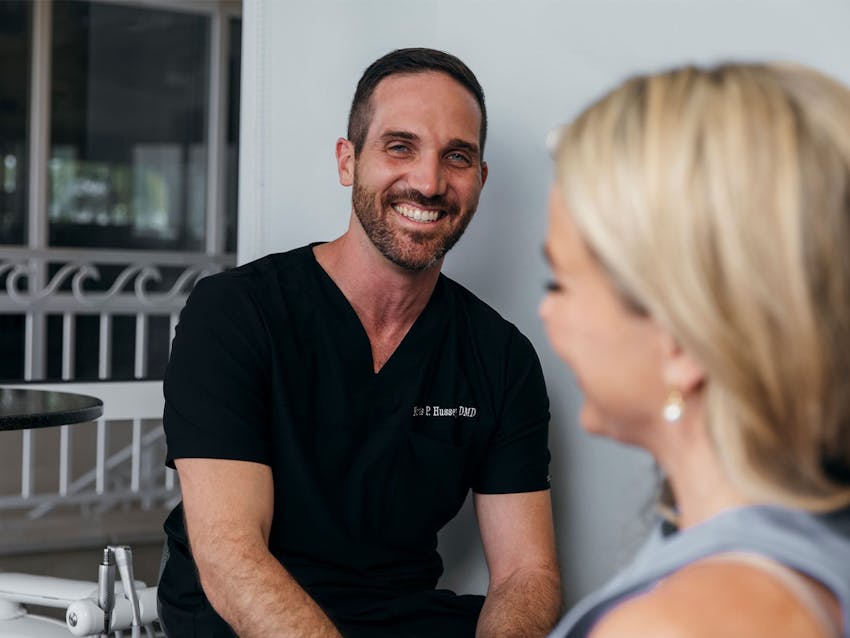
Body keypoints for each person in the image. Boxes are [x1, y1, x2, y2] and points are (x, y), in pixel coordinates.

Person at [157, 47, 562, 637]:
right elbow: (230, 557)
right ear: (348, 161)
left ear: (479, 179)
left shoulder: (501, 358)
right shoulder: (236, 313)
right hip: (240, 619)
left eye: (456, 157)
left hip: (401, 618)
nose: (428, 182)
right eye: (400, 147)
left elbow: (528, 572)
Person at [539, 62, 850, 637]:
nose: (546, 311)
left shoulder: (680, 625)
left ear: (679, 337)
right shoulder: (800, 539)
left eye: (558, 283)